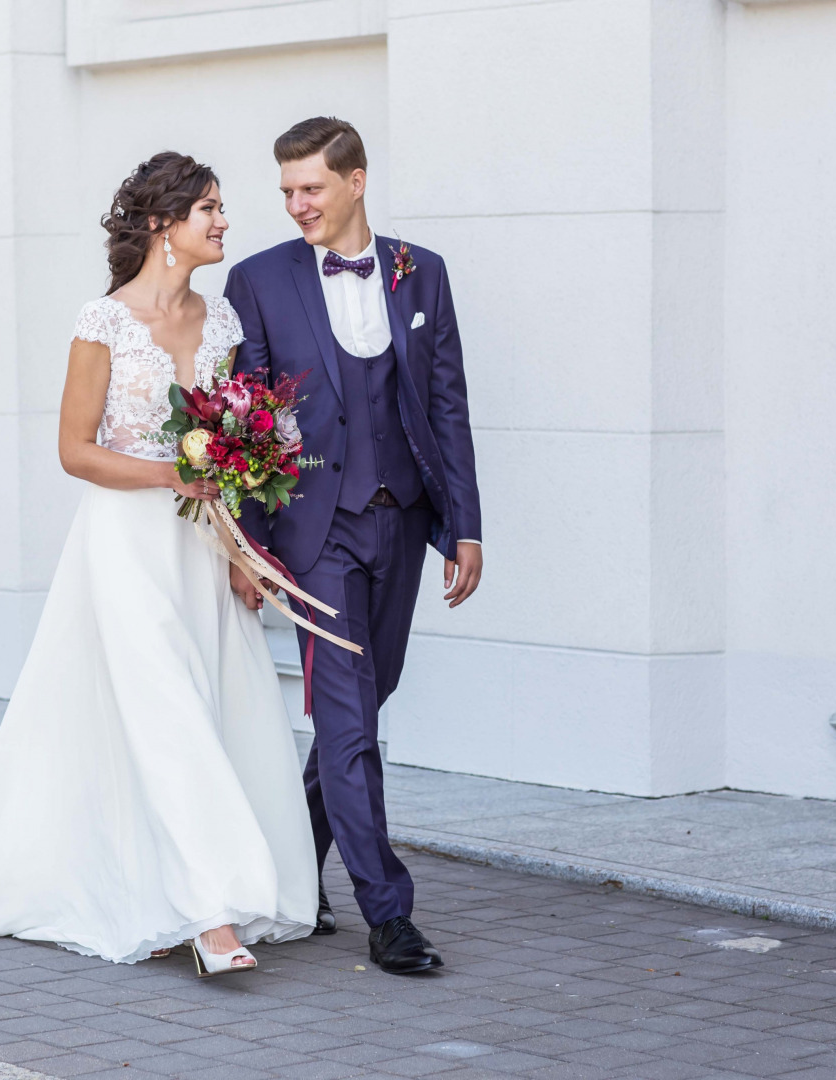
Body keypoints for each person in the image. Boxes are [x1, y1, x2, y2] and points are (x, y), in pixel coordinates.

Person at [0, 152, 317, 976]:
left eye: (222, 208)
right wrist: (172, 474)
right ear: (163, 225)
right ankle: (209, 915)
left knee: (207, 707)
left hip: (200, 544)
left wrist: (240, 552)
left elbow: (229, 455)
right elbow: (73, 452)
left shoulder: (222, 321)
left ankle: (160, 888)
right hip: (125, 543)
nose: (224, 221)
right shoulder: (104, 322)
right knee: (166, 713)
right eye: (209, 209)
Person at [225, 117, 483, 975]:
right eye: (287, 191)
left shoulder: (422, 274)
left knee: (363, 711)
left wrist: (464, 524)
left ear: (356, 181)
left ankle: (289, 869)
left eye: (312, 188)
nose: (297, 205)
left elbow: (446, 406)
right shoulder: (257, 281)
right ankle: (388, 914)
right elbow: (248, 420)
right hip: (313, 531)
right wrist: (252, 548)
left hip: (401, 520)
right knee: (344, 715)